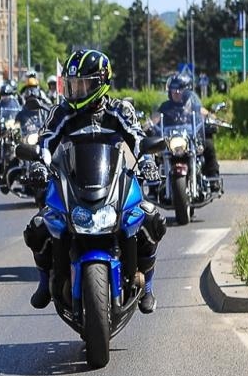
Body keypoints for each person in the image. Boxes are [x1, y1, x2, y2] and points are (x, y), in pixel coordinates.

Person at [23, 49, 165, 314]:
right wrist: (38, 164)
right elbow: (46, 141)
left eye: (83, 84)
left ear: (101, 82)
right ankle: (45, 282)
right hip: (72, 184)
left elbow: (136, 137)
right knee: (38, 227)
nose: (76, 90)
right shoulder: (61, 112)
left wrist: (146, 161)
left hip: (113, 183)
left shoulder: (119, 110)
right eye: (73, 84)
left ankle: (147, 287)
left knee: (151, 219)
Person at [157, 72, 219, 188]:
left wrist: (214, 119)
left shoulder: (193, 105)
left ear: (187, 90)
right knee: (155, 151)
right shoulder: (164, 107)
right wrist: (143, 127)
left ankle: (212, 178)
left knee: (208, 144)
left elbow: (206, 114)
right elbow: (153, 120)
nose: (176, 92)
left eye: (180, 88)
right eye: (173, 88)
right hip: (170, 140)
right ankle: (154, 185)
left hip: (190, 139)